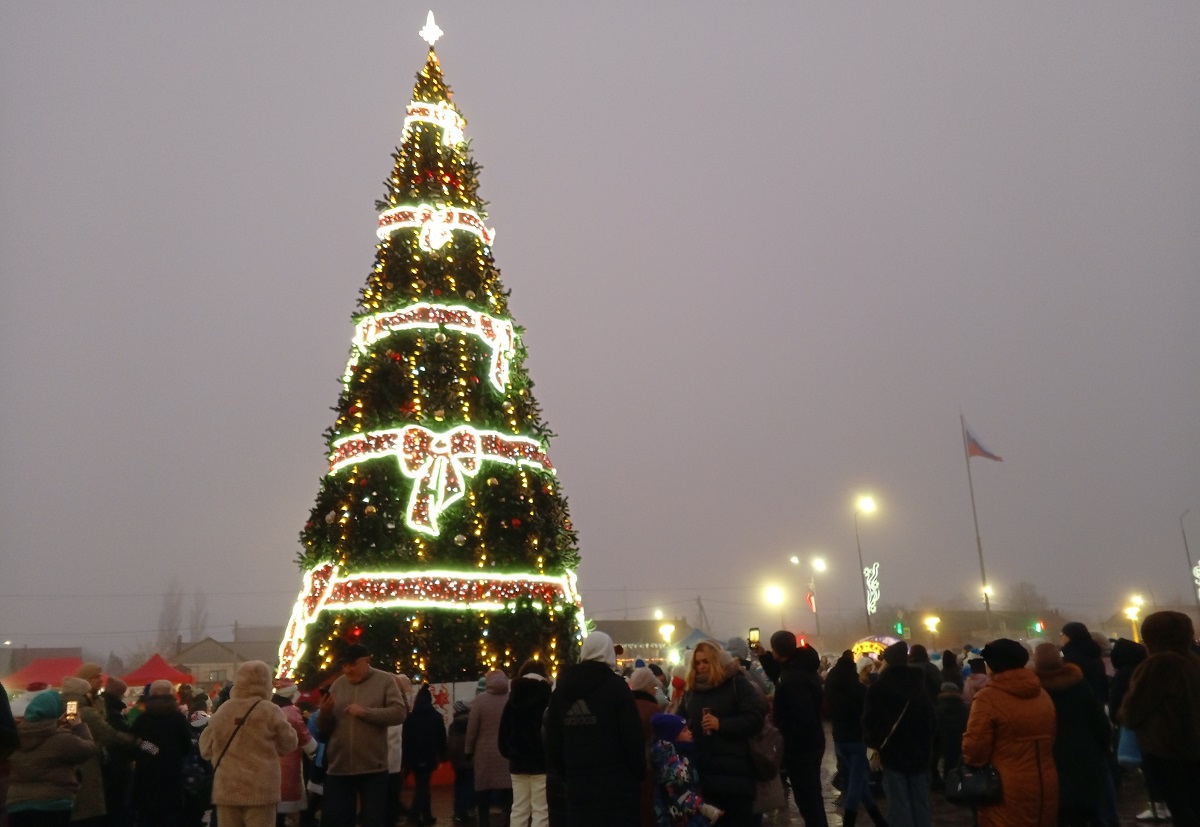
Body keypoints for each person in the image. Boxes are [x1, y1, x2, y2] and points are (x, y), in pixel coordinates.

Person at [544, 631, 645, 826]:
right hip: (617, 788)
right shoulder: (617, 688)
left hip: (578, 787)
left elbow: (553, 739)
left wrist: (566, 774)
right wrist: (638, 773)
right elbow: (632, 736)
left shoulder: (562, 689)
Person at [961, 638, 1057, 826]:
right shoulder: (1042, 694)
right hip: (1046, 781)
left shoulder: (988, 697)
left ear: (993, 665)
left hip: (1004, 785)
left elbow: (975, 749)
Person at [1119, 610, 1200, 826]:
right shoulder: (1193, 661)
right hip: (1193, 747)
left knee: (1182, 811)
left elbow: (1133, 710)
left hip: (1168, 750)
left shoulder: (1158, 664)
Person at [316, 644, 407, 827]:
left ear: (367, 660)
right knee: (337, 820)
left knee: (374, 820)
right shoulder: (338, 684)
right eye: (344, 665)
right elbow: (324, 729)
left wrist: (366, 713)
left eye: (353, 664)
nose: (348, 670)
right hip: (339, 767)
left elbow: (399, 713)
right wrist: (324, 713)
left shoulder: (385, 681)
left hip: (373, 768)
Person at [199, 661, 299, 827]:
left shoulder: (224, 710)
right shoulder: (270, 711)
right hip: (261, 790)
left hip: (227, 790)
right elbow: (289, 743)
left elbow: (205, 749)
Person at [679, 639, 765, 826]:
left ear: (716, 661)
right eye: (697, 663)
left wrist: (722, 724)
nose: (701, 666)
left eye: (706, 661)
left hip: (735, 775)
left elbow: (755, 719)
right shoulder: (691, 690)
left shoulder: (736, 683)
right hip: (703, 773)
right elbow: (681, 719)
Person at [1031, 643, 1110, 826]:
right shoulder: (1077, 683)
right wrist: (1103, 747)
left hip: (1049, 755)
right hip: (1084, 753)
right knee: (1086, 809)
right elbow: (1097, 719)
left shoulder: (1034, 689)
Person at [862, 641, 935, 827]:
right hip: (919, 752)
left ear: (888, 661)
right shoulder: (919, 685)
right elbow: (930, 720)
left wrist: (874, 743)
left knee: (898, 802)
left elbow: (870, 722)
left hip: (892, 752)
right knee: (921, 801)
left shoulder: (879, 688)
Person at [59, 676, 148, 827]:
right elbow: (113, 736)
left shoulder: (59, 710)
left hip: (66, 773)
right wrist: (150, 748)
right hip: (112, 767)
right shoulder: (98, 712)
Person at [760, 632, 827, 827]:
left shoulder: (792, 679)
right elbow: (781, 675)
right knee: (811, 796)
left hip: (801, 748)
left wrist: (786, 742)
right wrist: (764, 656)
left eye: (772, 648)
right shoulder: (801, 668)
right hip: (812, 742)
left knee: (808, 799)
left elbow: (800, 716)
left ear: (779, 650)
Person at [7, 690, 100, 827]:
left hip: (17, 804)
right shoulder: (61, 739)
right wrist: (79, 726)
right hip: (53, 803)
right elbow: (88, 750)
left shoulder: (15, 737)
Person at [823, 651, 886, 827]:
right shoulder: (860, 691)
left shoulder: (832, 691)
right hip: (858, 740)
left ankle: (878, 820)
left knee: (859, 780)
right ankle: (848, 822)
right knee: (856, 783)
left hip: (840, 740)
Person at [130, 679, 193, 827]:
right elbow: (187, 746)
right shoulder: (178, 719)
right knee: (170, 817)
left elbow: (134, 744)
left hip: (146, 776)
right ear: (171, 695)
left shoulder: (142, 719)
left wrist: (149, 751)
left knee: (147, 818)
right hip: (172, 775)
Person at [499, 660, 552, 827]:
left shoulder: (512, 699)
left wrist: (511, 753)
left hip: (517, 763)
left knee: (519, 808)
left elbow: (503, 734)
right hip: (541, 763)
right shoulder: (548, 698)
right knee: (541, 810)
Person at [647, 714, 723, 826]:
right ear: (672, 736)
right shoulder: (673, 764)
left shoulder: (678, 755)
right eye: (684, 731)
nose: (690, 732)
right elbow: (680, 794)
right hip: (681, 819)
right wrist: (705, 808)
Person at [465, 670, 512, 827]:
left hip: (484, 753)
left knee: (483, 791)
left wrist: (468, 750)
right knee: (508, 792)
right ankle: (508, 821)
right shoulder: (510, 699)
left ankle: (484, 821)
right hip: (506, 752)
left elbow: (472, 730)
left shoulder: (480, 701)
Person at [272, 679, 317, 827]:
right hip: (288, 758)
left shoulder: (269, 708)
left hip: (269, 759)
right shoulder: (291, 711)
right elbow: (303, 735)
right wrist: (313, 749)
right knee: (285, 795)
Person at [401, 685, 447, 827]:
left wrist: (405, 758)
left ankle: (425, 816)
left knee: (422, 785)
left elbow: (405, 739)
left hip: (413, 757)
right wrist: (443, 754)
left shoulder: (410, 718)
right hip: (429, 756)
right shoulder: (436, 717)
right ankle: (415, 815)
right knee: (423, 786)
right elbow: (442, 738)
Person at [628, 667, 662, 827]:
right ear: (648, 687)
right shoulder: (653, 710)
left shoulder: (626, 706)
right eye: (653, 687)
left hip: (629, 771)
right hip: (649, 770)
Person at [1061, 622, 1109, 702]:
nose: (1061, 637)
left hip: (1079, 703)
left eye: (1062, 634)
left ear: (1070, 636)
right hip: (1098, 702)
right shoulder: (1095, 655)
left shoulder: (1071, 658)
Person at [932, 682, 967, 790]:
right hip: (962, 743)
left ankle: (947, 785)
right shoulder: (965, 708)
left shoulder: (937, 709)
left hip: (943, 744)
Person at [445, 700, 474, 824]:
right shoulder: (472, 722)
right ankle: (465, 810)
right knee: (469, 785)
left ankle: (459, 810)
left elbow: (453, 745)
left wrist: (451, 757)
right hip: (470, 759)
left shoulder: (454, 724)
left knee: (459, 785)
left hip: (458, 761)